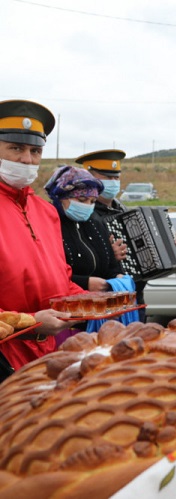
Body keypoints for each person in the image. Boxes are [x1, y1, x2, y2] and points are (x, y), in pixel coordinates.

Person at [0, 99, 82, 378]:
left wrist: (97, 304)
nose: (27, 159)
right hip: (5, 357)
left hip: (50, 352)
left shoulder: (46, 212)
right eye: (15, 148)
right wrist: (30, 323)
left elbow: (62, 280)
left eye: (35, 151)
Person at [78, 149, 176, 320]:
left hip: (135, 296)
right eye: (107, 177)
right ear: (89, 178)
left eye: (116, 177)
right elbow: (76, 261)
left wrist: (170, 248)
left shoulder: (124, 211)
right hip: (104, 302)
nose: (113, 182)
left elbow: (145, 254)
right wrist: (107, 256)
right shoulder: (83, 214)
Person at [44, 165, 124, 292]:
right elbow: (45, 274)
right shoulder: (46, 225)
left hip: (99, 305)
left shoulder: (96, 223)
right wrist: (84, 283)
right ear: (60, 197)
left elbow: (112, 265)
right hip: (63, 304)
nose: (87, 206)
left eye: (92, 201)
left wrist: (117, 277)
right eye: (82, 199)